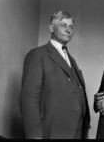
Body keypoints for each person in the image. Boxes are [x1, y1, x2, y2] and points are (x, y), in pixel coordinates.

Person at [20, 10, 90, 139]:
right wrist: (35, 135)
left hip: (76, 132)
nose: (68, 30)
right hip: (52, 132)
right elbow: (29, 98)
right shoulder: (37, 55)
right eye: (63, 25)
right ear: (52, 28)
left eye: (71, 27)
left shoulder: (71, 59)